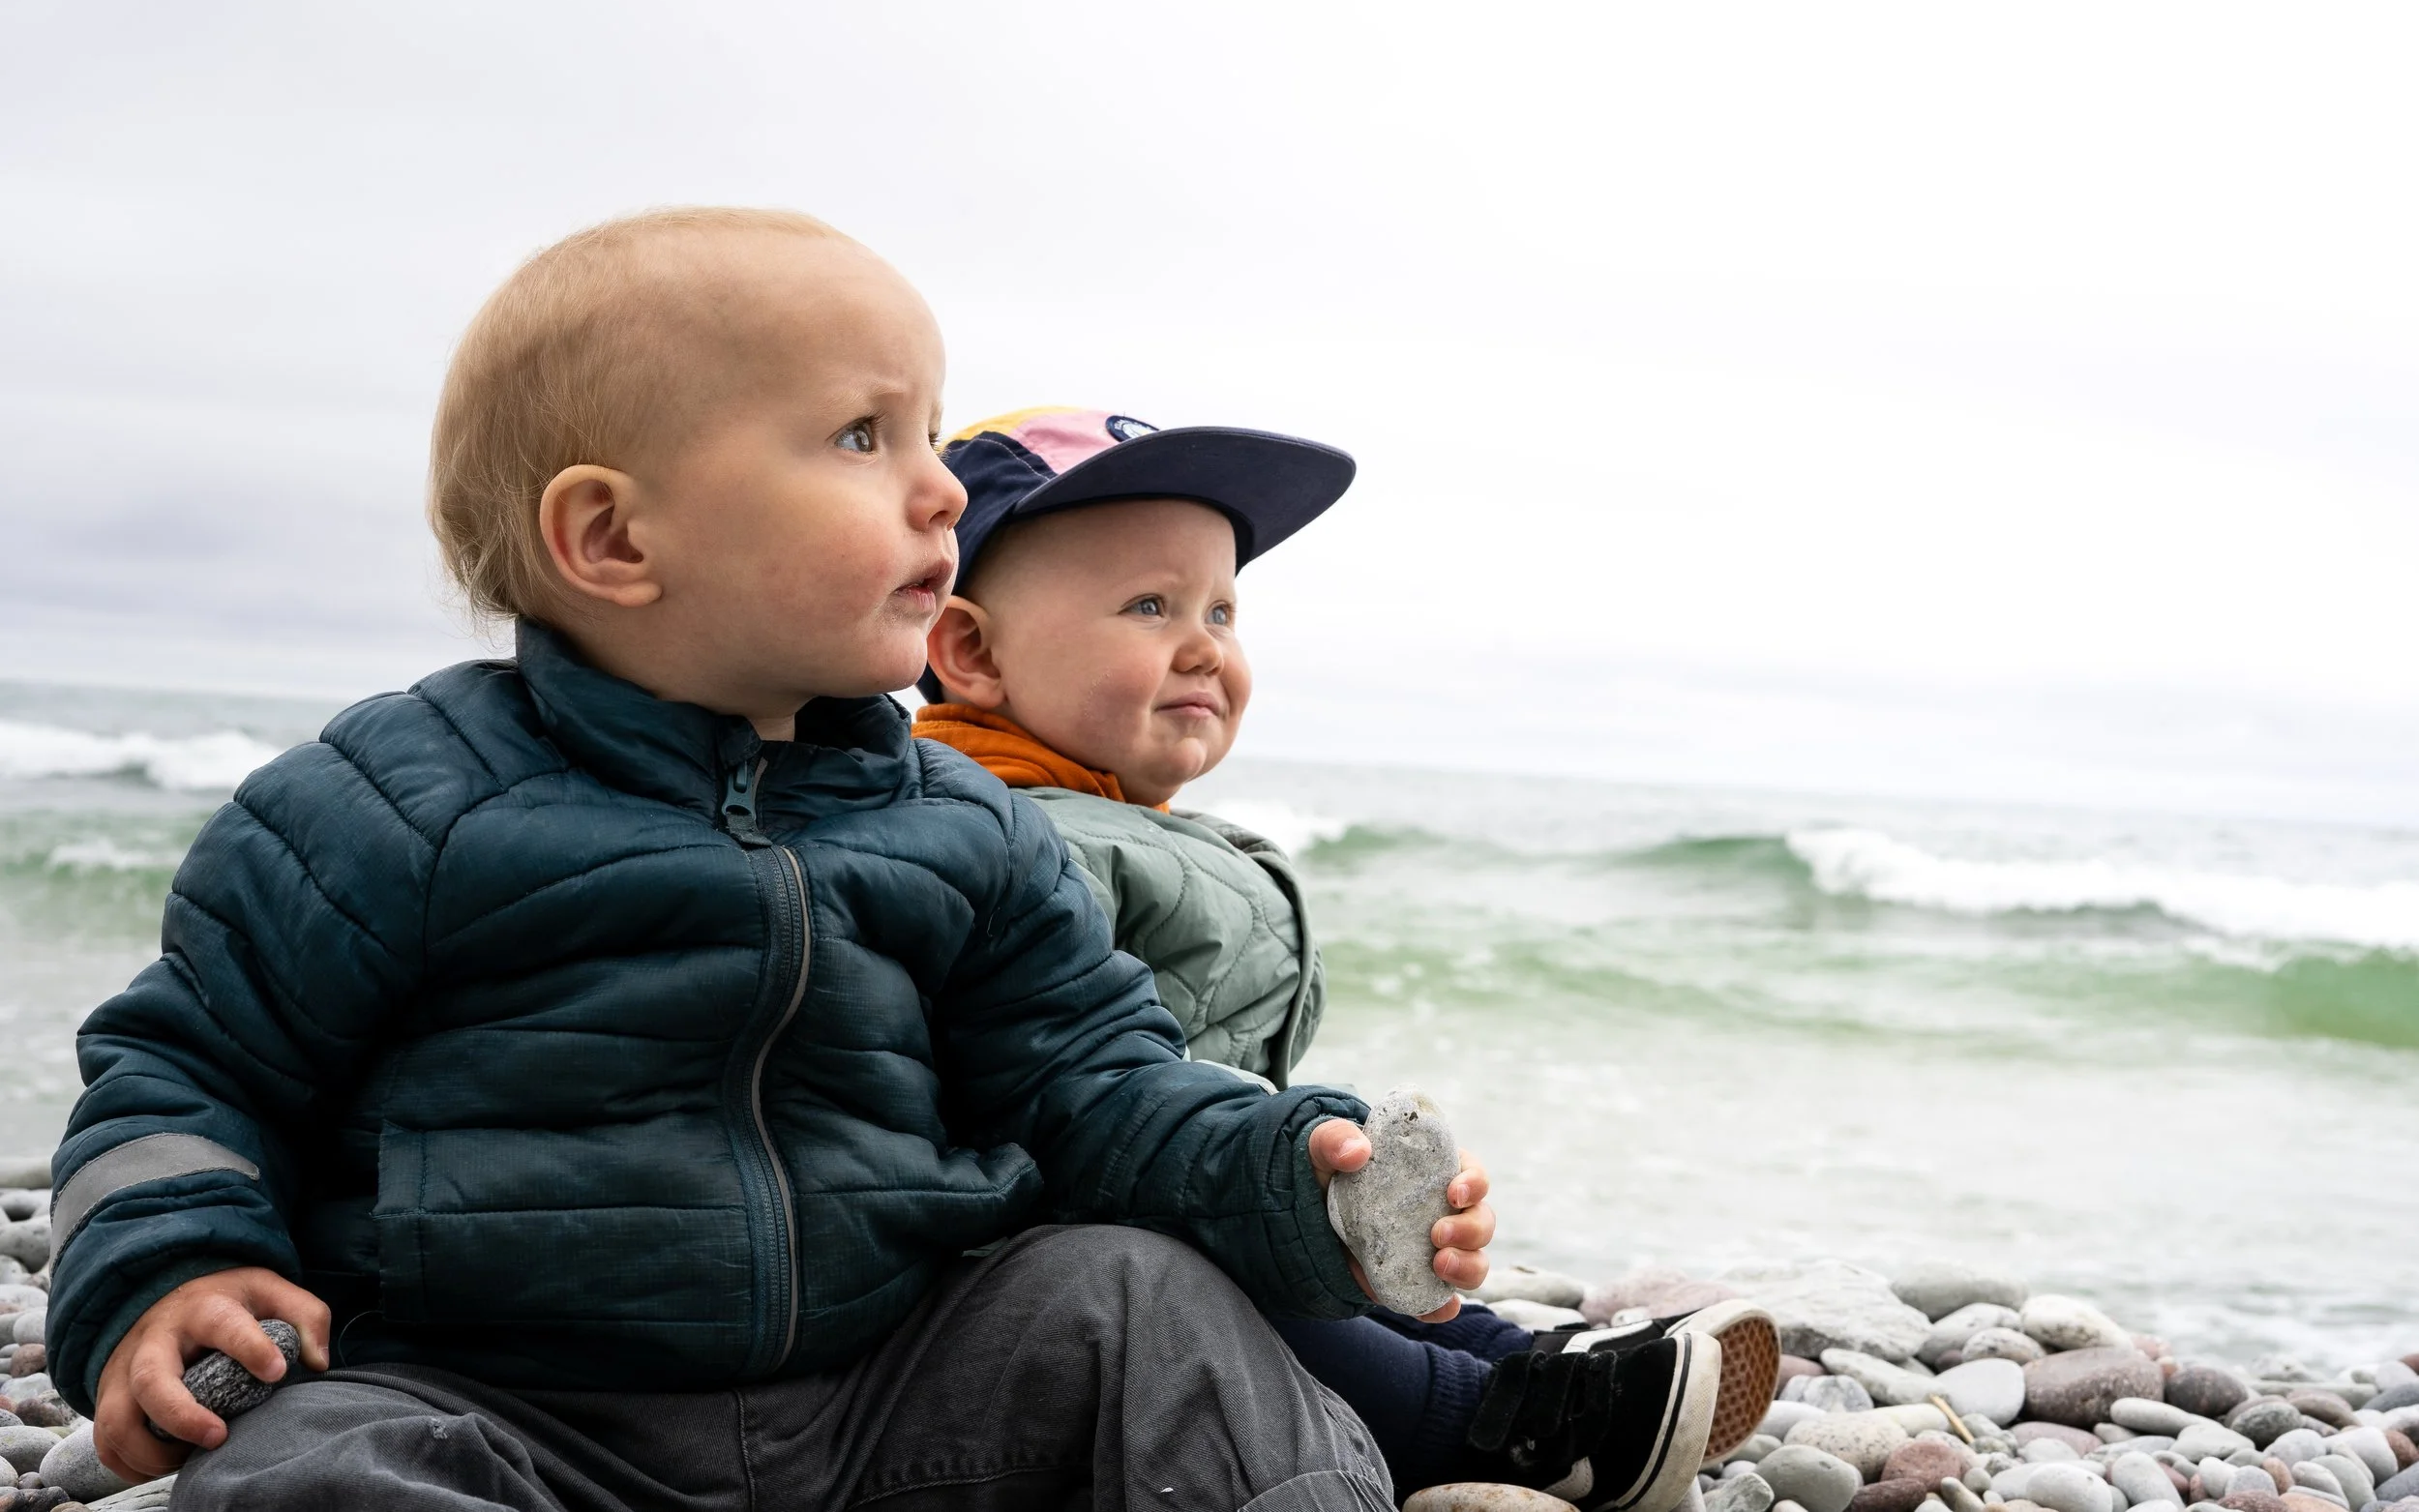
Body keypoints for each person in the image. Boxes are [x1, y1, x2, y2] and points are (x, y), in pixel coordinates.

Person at [45, 210, 1503, 1512]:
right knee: (307, 1460)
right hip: (497, 1412)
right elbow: (189, 1069)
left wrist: (1288, 1178)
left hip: (889, 1404)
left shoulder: (965, 826)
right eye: (867, 437)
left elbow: (1097, 1085)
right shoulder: (392, 802)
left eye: (930, 438)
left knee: (1135, 1291)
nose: (940, 493)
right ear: (613, 534)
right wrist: (171, 1269)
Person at [914, 407, 1782, 1511]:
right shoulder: (1004, 840)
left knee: (1353, 1276)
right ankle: (1480, 1425)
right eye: (1148, 605)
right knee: (1241, 1294)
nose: (1204, 645)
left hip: (1207, 1188)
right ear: (972, 651)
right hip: (1073, 1244)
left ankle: (1538, 1365)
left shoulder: (1128, 825)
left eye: (1221, 608)